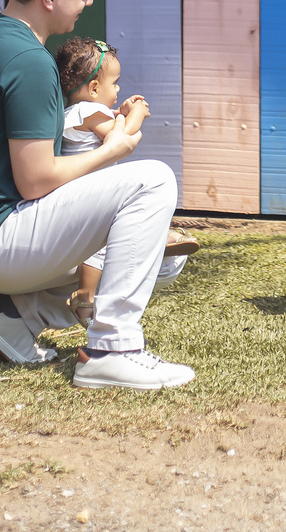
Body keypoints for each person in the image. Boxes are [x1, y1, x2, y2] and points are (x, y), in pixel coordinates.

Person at [0, 0, 195, 390]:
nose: (89, 1)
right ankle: (111, 349)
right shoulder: (28, 61)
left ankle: (14, 317)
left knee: (162, 258)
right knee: (154, 181)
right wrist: (113, 150)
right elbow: (36, 179)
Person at [53, 36, 199, 326]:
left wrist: (120, 112)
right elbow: (121, 136)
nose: (118, 89)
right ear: (95, 89)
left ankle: (158, 238)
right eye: (115, 83)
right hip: (91, 195)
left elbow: (108, 124)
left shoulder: (73, 112)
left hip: (79, 194)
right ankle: (85, 295)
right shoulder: (89, 112)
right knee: (102, 242)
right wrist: (137, 115)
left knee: (116, 229)